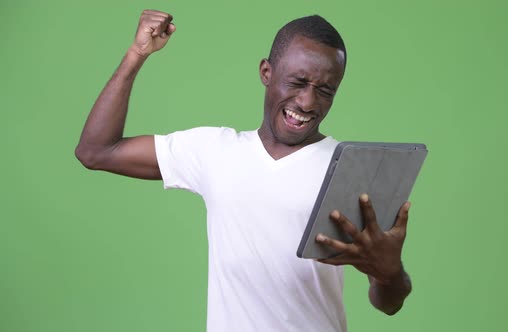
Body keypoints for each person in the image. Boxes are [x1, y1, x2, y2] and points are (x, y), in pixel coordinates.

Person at [76, 9, 412, 331]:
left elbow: (389, 302)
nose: (308, 102)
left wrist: (390, 273)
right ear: (267, 72)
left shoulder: (350, 171)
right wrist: (137, 53)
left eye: (325, 91)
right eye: (297, 82)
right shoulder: (215, 151)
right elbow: (97, 151)